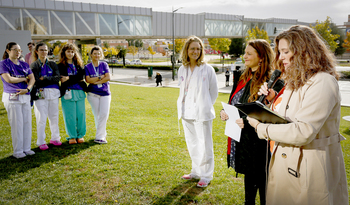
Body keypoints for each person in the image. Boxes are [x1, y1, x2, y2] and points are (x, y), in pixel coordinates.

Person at [247, 25, 349, 205]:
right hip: (288, 165)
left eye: (286, 51)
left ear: (304, 50)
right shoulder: (296, 80)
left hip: (310, 168)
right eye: (279, 52)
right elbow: (288, 120)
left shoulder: (323, 82)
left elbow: (303, 130)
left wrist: (260, 127)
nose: (280, 57)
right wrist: (271, 103)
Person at [220, 39, 279, 205]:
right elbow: (234, 103)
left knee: (265, 192)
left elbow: (270, 113)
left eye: (248, 53)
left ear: (261, 57)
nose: (244, 56)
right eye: (244, 52)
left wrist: (246, 121)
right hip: (243, 141)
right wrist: (224, 112)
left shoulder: (272, 81)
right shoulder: (241, 77)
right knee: (249, 195)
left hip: (260, 144)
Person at [177, 36, 218, 188]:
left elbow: (213, 92)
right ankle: (196, 171)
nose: (196, 51)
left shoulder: (208, 69)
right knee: (193, 144)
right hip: (186, 112)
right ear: (186, 50)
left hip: (202, 113)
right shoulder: (183, 69)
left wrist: (204, 105)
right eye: (193, 48)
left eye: (198, 49)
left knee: (205, 144)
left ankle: (206, 175)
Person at [0, 42, 35, 158]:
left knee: (27, 123)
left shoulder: (24, 64)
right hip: (12, 97)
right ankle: (18, 151)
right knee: (17, 124)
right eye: (15, 50)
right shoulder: (3, 64)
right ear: (8, 51)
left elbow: (32, 79)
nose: (18, 52)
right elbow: (8, 79)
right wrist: (23, 79)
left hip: (25, 95)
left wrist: (28, 89)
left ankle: (27, 148)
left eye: (19, 50)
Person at [30, 42, 61, 150]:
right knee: (41, 118)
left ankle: (55, 138)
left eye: (46, 50)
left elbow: (57, 78)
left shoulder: (52, 64)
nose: (44, 52)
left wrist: (45, 78)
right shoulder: (34, 65)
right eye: (41, 50)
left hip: (53, 93)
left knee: (54, 117)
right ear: (37, 51)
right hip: (40, 93)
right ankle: (41, 141)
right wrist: (48, 79)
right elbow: (36, 81)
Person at [58, 43, 87, 144]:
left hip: (79, 92)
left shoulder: (79, 65)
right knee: (69, 116)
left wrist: (69, 78)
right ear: (64, 53)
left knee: (81, 115)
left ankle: (80, 135)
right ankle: (72, 136)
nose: (70, 53)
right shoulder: (60, 66)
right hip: (67, 93)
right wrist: (75, 79)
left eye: (72, 51)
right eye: (68, 51)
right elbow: (62, 79)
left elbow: (81, 77)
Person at [85, 46, 111, 144]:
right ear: (91, 55)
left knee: (104, 114)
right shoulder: (87, 67)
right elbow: (88, 80)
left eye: (99, 53)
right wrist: (100, 77)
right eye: (95, 53)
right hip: (93, 94)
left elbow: (108, 77)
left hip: (105, 93)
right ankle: (101, 135)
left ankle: (100, 136)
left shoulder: (104, 64)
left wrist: (95, 80)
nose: (97, 55)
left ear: (101, 55)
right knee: (97, 115)